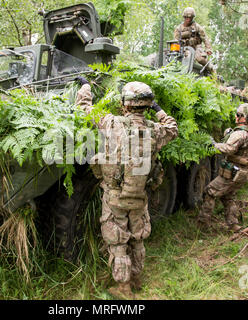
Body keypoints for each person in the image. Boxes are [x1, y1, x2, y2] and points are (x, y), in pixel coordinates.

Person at [74, 77, 178, 298]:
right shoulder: (156, 131)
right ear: (147, 105)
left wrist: (86, 87)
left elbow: (83, 108)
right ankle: (137, 278)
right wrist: (158, 109)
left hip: (115, 197)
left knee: (118, 241)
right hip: (140, 196)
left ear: (125, 104)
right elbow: (172, 127)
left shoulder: (113, 124)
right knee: (138, 237)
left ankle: (123, 288)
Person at [198, 103, 248, 232]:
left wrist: (214, 144)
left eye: (238, 115)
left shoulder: (240, 134)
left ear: (244, 118)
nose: (236, 117)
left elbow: (229, 149)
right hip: (242, 172)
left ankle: (203, 225)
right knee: (228, 196)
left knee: (210, 191)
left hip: (233, 172)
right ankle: (233, 224)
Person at [174, 7, 214, 72]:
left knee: (200, 58)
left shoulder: (197, 27)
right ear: (184, 17)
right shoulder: (179, 29)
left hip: (197, 47)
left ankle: (211, 68)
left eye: (190, 18)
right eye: (187, 17)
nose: (188, 19)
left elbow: (205, 38)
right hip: (185, 48)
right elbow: (175, 41)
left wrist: (208, 48)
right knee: (186, 59)